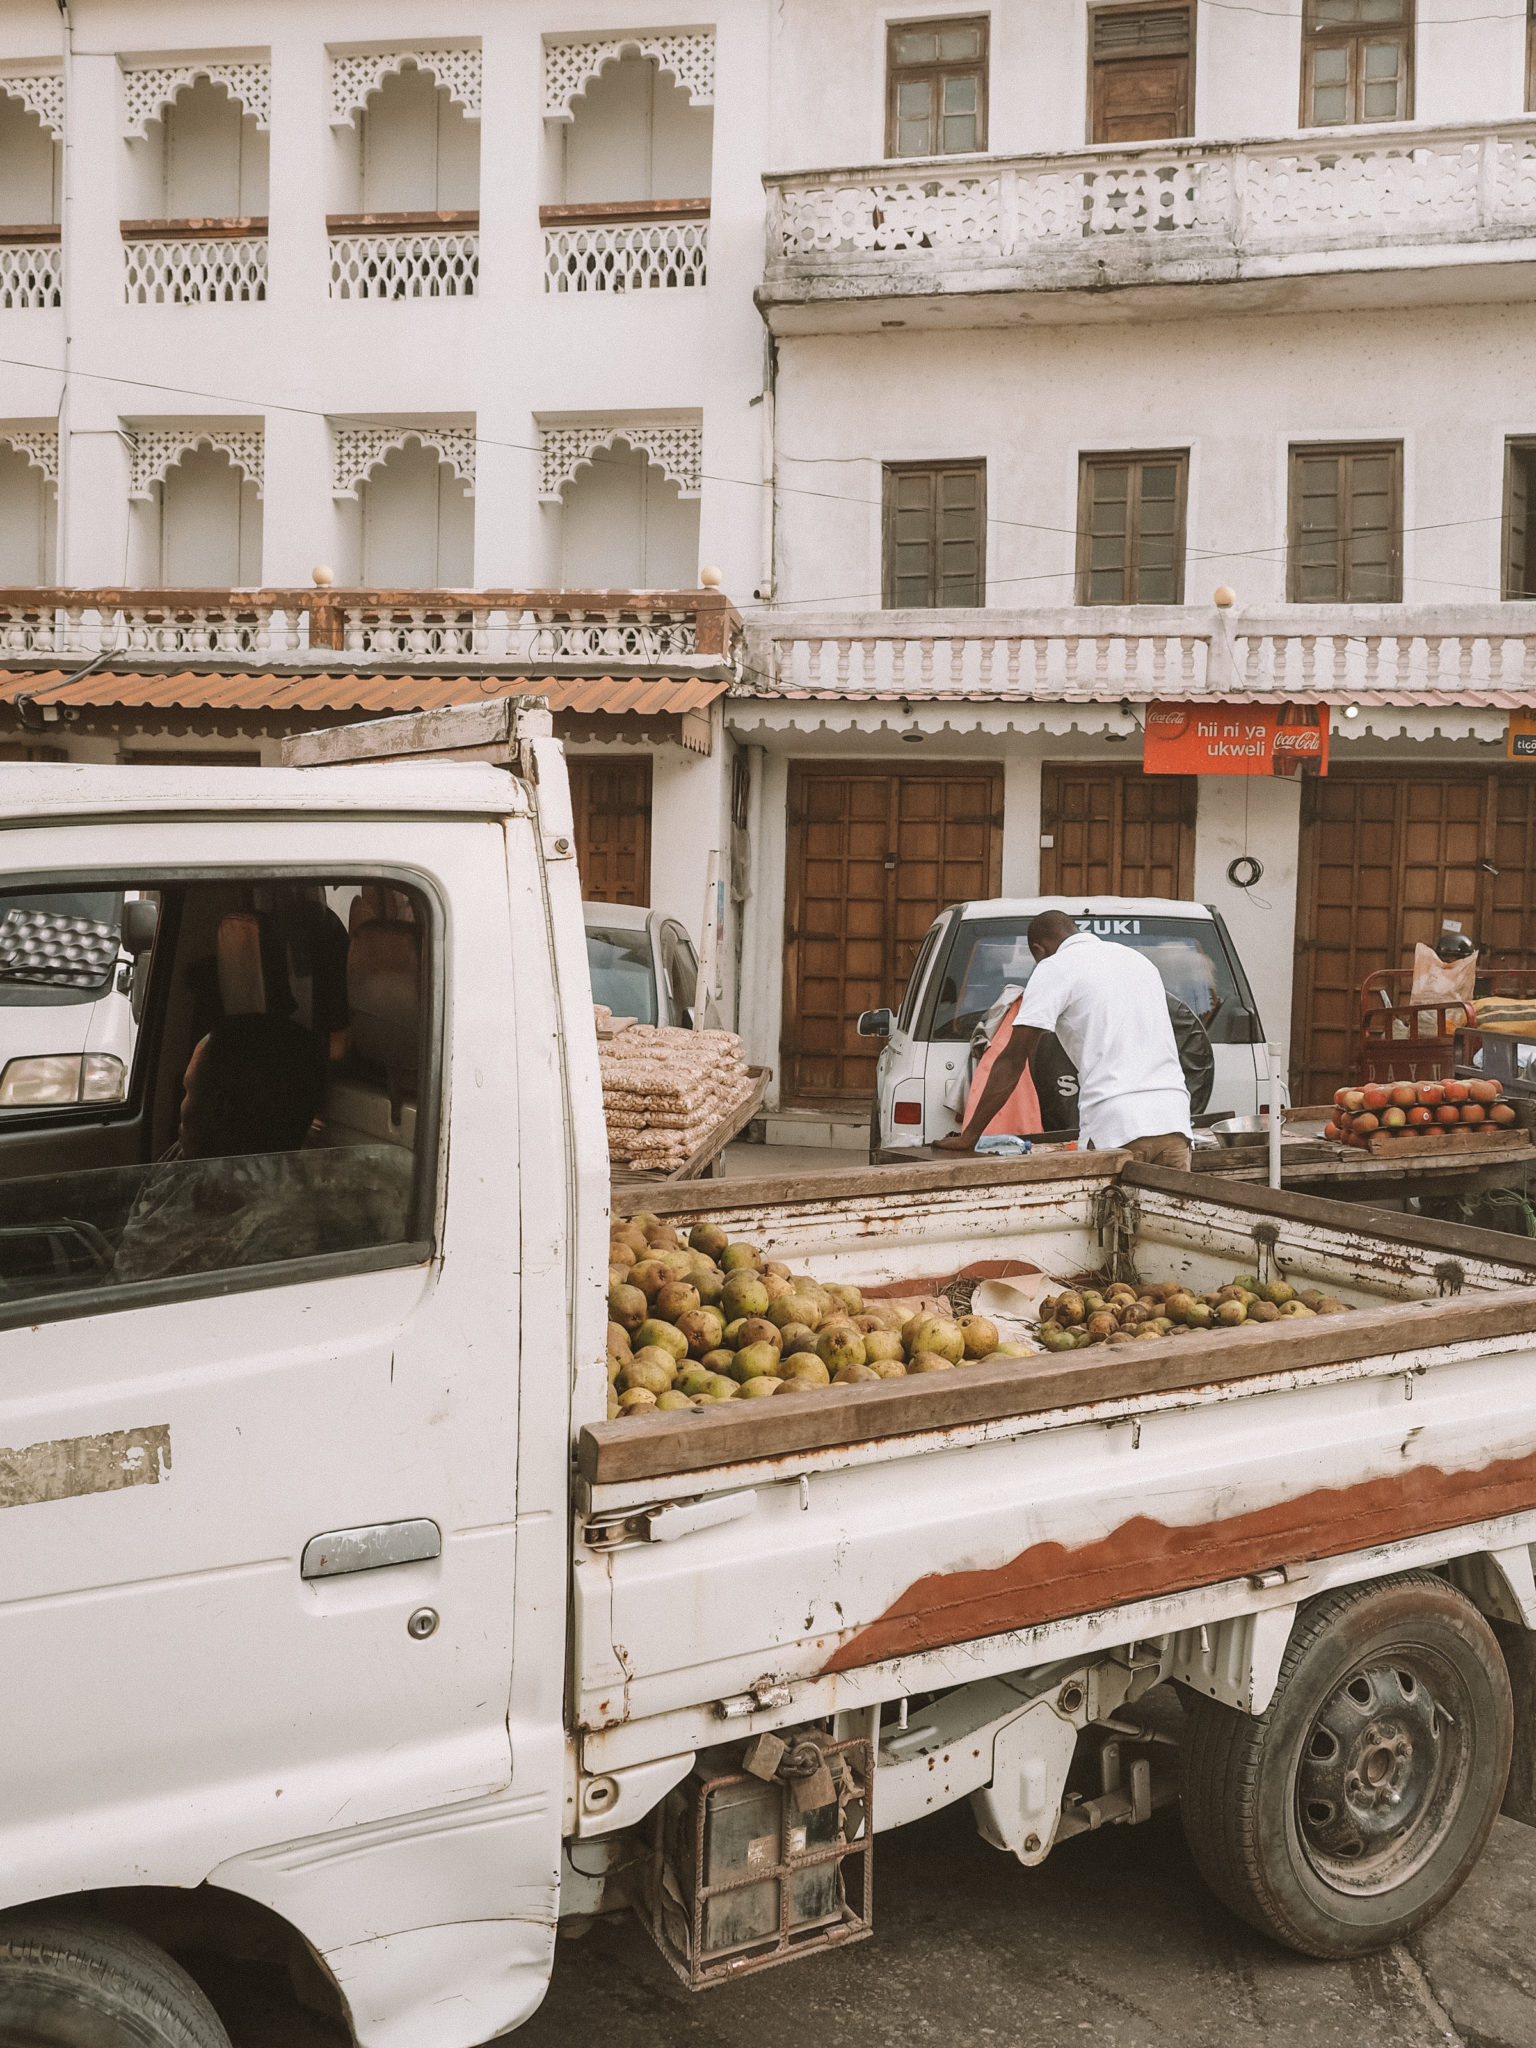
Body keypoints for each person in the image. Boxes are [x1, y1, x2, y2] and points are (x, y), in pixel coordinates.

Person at [113, 1013, 405, 1284]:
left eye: (188, 1090)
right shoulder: (188, 1159)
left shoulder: (277, 1239)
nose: (182, 1106)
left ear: (220, 1109)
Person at [935, 909, 1193, 1167]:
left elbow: (1012, 1060)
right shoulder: (1139, 961)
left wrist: (969, 1137)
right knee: (1169, 1208)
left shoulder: (1054, 967)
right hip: (1175, 1122)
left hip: (1116, 1127)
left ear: (1039, 950)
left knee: (1110, 1207)